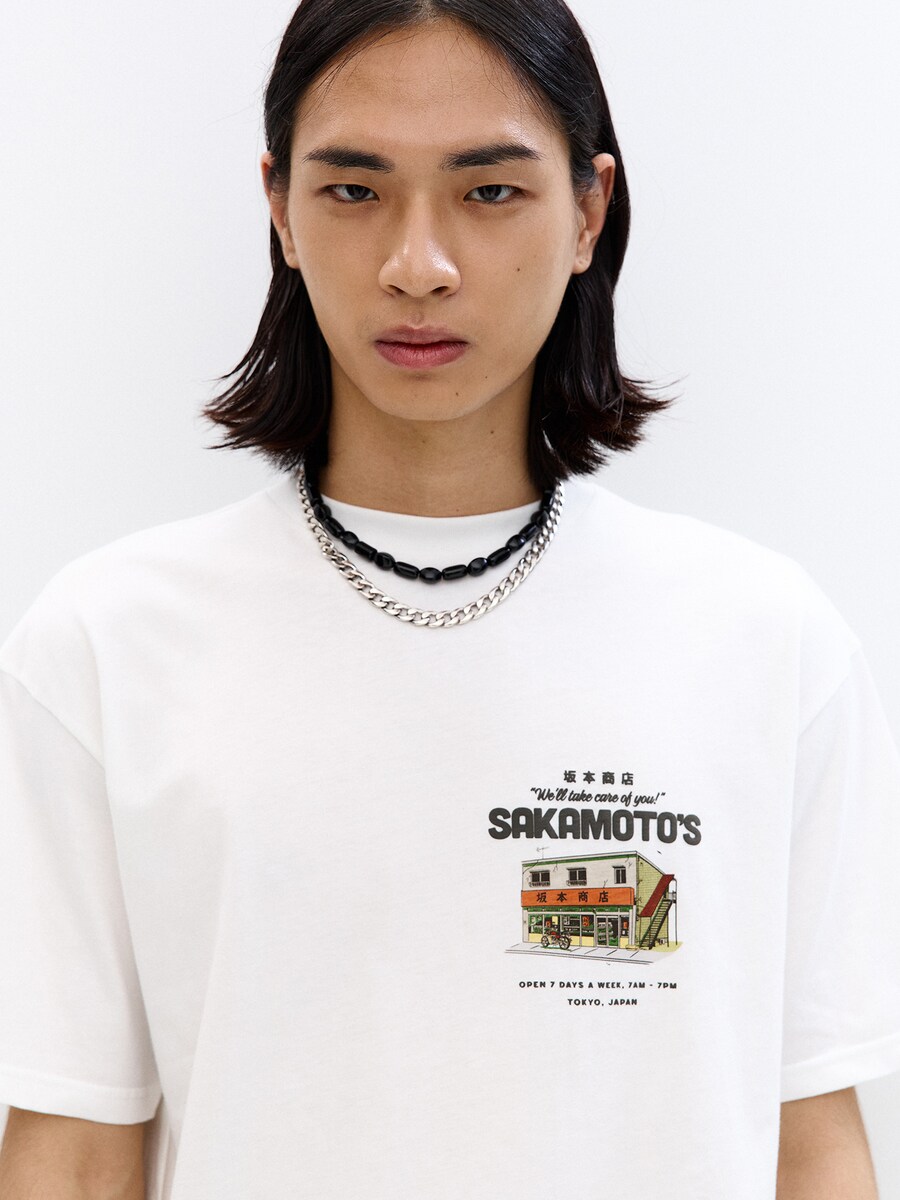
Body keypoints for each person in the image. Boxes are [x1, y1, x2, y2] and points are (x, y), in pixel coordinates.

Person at [0, 1, 898, 1197]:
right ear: (280, 210)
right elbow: (71, 1152)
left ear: (588, 211)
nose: (417, 265)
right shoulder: (109, 644)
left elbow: (813, 1142)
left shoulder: (764, 642)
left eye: (489, 191)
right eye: (354, 190)